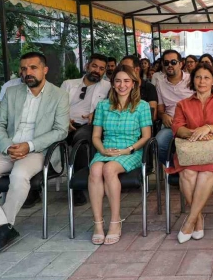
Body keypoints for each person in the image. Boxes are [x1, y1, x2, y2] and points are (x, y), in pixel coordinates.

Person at [0, 52, 70, 255]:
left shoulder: (59, 95)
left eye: (33, 68)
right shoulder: (12, 92)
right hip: (8, 149)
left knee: (19, 175)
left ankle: (2, 228)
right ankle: (2, 228)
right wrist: (7, 146)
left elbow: (61, 131)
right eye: (24, 69)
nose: (27, 72)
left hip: (38, 151)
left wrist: (29, 146)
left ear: (45, 70)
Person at [169, 62, 213, 243]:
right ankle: (197, 218)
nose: (202, 81)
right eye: (198, 77)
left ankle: (190, 220)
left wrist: (208, 128)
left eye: (206, 77)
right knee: (188, 173)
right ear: (193, 80)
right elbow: (177, 127)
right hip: (191, 149)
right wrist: (195, 133)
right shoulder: (183, 104)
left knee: (206, 172)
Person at [88, 64, 152, 245]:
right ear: (112, 83)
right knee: (95, 170)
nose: (122, 85)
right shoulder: (103, 106)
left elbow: (146, 136)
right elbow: (95, 136)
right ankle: (98, 223)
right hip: (106, 149)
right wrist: (102, 150)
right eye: (118, 81)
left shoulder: (142, 106)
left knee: (109, 169)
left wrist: (128, 149)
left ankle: (115, 221)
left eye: (126, 81)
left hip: (131, 150)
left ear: (133, 83)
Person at [61, 54, 111, 206]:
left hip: (87, 125)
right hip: (64, 123)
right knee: (44, 140)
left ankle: (78, 186)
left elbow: (111, 106)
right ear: (87, 66)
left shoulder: (108, 86)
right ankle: (35, 187)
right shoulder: (68, 84)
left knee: (81, 141)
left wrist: (95, 113)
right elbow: (57, 105)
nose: (97, 71)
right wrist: (64, 120)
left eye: (101, 69)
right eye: (94, 66)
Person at [156, 50, 194, 165]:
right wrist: (163, 116)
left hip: (192, 123)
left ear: (180, 64)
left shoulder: (192, 80)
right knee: (158, 143)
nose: (170, 65)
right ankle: (174, 168)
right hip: (171, 124)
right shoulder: (160, 84)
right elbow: (160, 110)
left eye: (173, 62)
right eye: (166, 63)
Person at [120, 54, 158, 119]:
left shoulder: (149, 87)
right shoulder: (119, 87)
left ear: (137, 69)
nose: (122, 71)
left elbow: (152, 115)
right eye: (121, 68)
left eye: (126, 68)